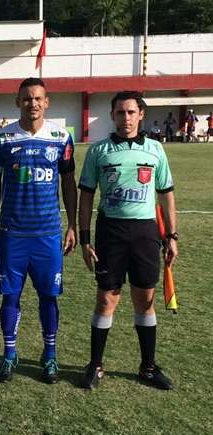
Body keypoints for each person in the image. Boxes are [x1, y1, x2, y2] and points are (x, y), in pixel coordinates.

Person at [78, 91, 178, 390]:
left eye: (131, 112)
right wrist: (85, 239)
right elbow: (86, 196)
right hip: (111, 232)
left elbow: (166, 194)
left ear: (141, 114)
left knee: (145, 300)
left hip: (145, 232)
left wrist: (171, 236)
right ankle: (95, 365)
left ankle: (148, 367)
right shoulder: (98, 151)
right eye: (120, 112)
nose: (126, 118)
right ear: (112, 115)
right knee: (106, 299)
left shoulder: (155, 150)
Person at [0, 77, 77, 384]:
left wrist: (72, 225)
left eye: (38, 98)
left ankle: (49, 355)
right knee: (10, 297)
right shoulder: (1, 139)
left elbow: (68, 183)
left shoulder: (61, 137)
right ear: (18, 102)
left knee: (49, 297)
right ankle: (9, 354)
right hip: (12, 233)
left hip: (48, 234)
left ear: (46, 102)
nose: (32, 103)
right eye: (27, 98)